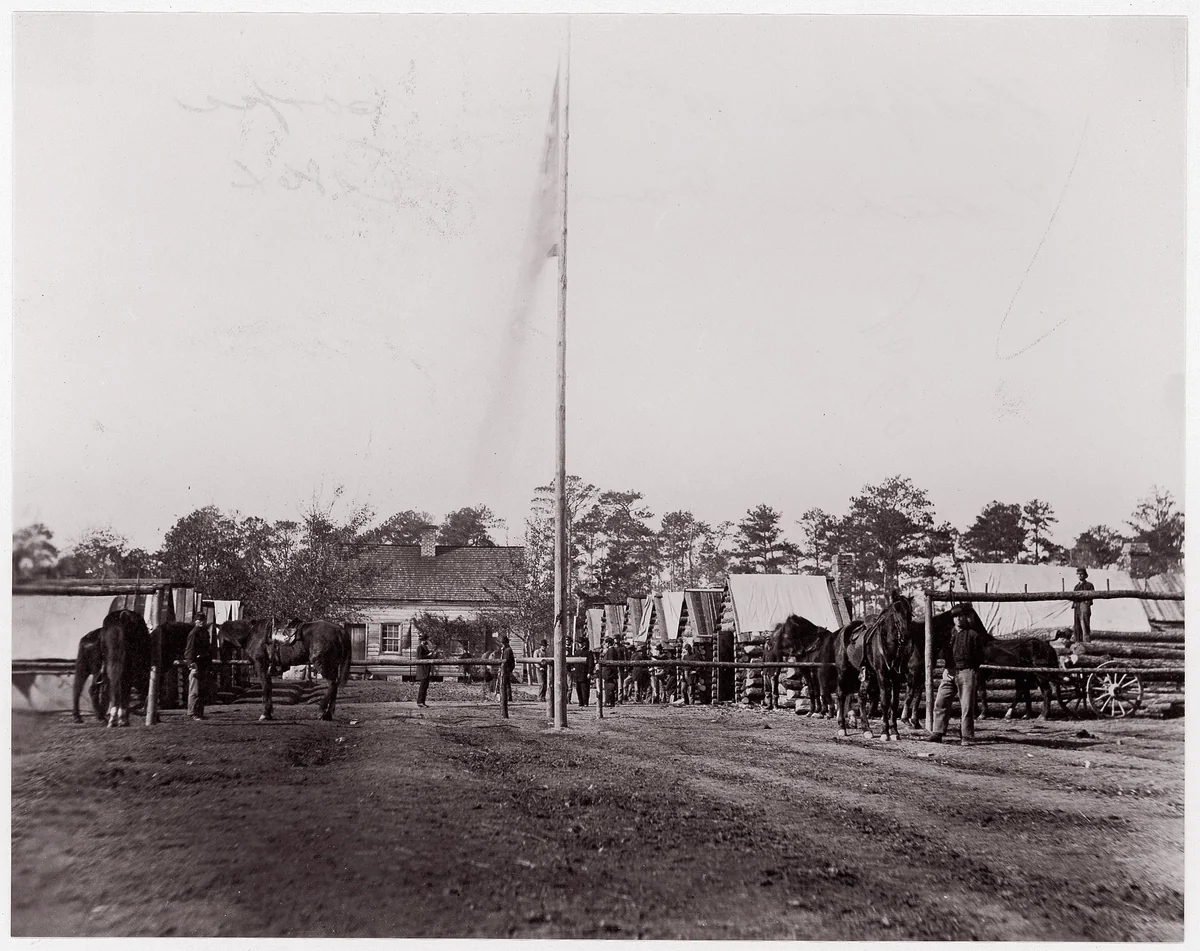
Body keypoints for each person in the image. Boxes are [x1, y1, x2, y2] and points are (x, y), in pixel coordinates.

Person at [927, 604, 988, 746]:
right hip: (949, 672)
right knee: (940, 701)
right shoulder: (948, 634)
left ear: (966, 618)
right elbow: (941, 651)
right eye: (955, 616)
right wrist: (947, 669)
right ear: (953, 619)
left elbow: (980, 656)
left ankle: (966, 736)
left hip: (966, 672)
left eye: (961, 616)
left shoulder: (973, 635)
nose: (958, 619)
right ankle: (938, 732)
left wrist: (971, 670)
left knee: (966, 706)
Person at [184, 613, 211, 721]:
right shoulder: (194, 633)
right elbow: (189, 650)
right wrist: (191, 663)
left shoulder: (204, 632)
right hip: (196, 663)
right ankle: (192, 712)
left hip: (204, 663)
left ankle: (199, 712)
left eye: (203, 620)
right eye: (199, 620)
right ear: (195, 621)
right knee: (194, 690)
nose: (201, 622)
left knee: (202, 689)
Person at [1073, 568, 1095, 647]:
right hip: (1077, 607)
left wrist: (1085, 602)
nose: (1080, 575)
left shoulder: (1089, 585)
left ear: (1085, 575)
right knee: (1077, 626)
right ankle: (1078, 644)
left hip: (1084, 606)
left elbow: (1091, 597)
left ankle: (1087, 645)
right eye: (1078, 574)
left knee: (1085, 626)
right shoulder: (1076, 586)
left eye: (1081, 574)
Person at [570, 636, 593, 707]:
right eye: (579, 643)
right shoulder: (577, 652)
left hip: (584, 673)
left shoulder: (588, 652)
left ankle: (585, 702)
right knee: (578, 688)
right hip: (577, 673)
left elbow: (591, 663)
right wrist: (573, 668)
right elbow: (573, 662)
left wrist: (589, 672)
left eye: (581, 643)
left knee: (585, 689)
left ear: (584, 643)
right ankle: (580, 702)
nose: (580, 644)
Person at [416, 630, 433, 707]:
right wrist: (428, 655)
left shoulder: (425, 647)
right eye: (426, 640)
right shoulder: (420, 647)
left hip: (426, 668)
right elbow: (420, 657)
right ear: (423, 640)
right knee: (423, 686)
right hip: (422, 669)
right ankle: (420, 702)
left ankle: (422, 701)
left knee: (425, 686)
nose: (427, 641)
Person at [601, 636, 620, 707]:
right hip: (609, 672)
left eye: (605, 643)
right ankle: (609, 701)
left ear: (608, 643)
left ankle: (609, 702)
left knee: (609, 688)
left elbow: (611, 662)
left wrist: (611, 672)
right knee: (608, 687)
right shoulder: (611, 650)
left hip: (609, 673)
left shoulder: (611, 651)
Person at [500, 635, 515, 702]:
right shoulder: (505, 650)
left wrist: (509, 669)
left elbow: (506, 660)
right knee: (505, 683)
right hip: (505, 668)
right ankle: (507, 697)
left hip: (507, 668)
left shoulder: (508, 650)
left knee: (506, 683)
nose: (503, 644)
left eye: (504, 643)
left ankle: (508, 697)